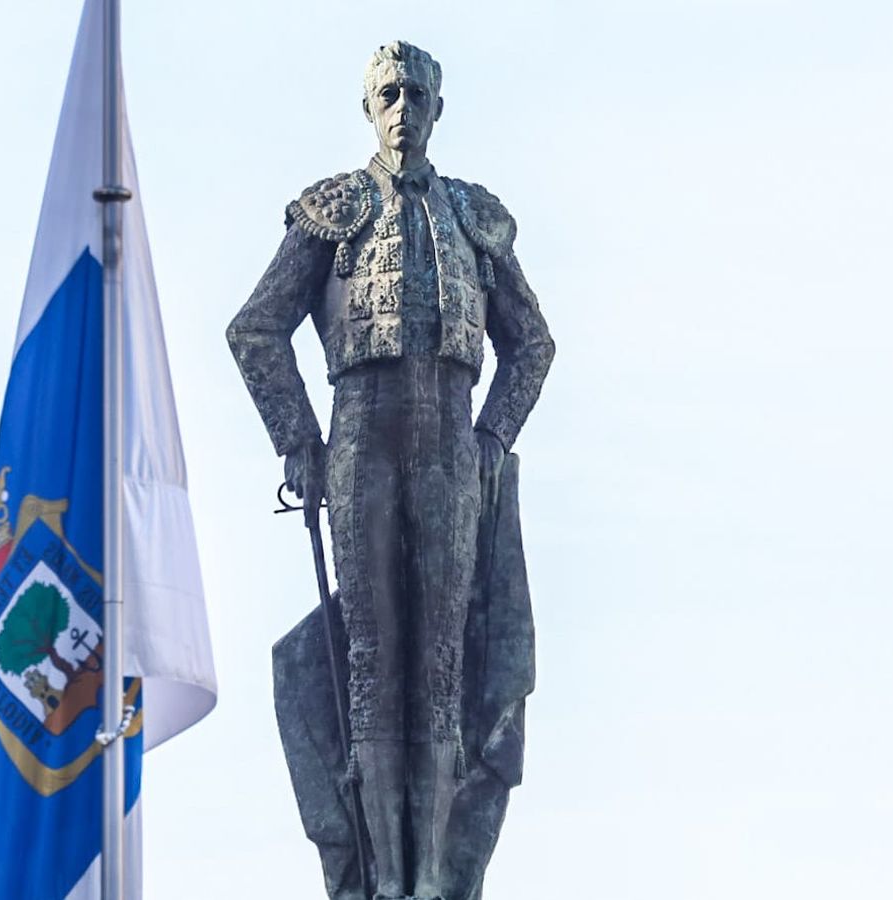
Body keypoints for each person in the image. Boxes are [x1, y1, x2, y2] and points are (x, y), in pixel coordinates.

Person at [226, 40, 554, 900]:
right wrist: (299, 442)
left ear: (437, 108)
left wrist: (491, 440)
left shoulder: (474, 216)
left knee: (439, 665)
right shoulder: (332, 209)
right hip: (360, 430)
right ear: (368, 108)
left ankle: (435, 876)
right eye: (388, 92)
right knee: (374, 660)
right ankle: (381, 878)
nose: (402, 106)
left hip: (449, 437)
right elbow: (254, 328)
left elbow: (534, 344)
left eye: (415, 92)